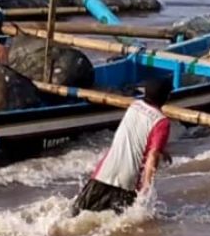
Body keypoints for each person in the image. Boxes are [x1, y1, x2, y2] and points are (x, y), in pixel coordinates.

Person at [71, 77, 173, 215]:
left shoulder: (134, 106)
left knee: (77, 216)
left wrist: (162, 150)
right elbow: (152, 156)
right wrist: (146, 190)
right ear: (167, 97)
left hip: (104, 172)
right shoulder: (162, 122)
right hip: (127, 182)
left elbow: (134, 134)